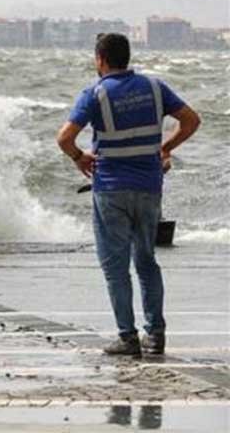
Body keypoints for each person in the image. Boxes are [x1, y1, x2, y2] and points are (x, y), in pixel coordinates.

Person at [56, 33, 200, 356]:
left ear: (101, 60)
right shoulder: (154, 87)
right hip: (149, 187)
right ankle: (156, 334)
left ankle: (127, 337)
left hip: (110, 189)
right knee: (147, 260)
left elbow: (64, 138)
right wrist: (165, 147)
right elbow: (192, 121)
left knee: (115, 266)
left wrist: (79, 158)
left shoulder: (94, 94)